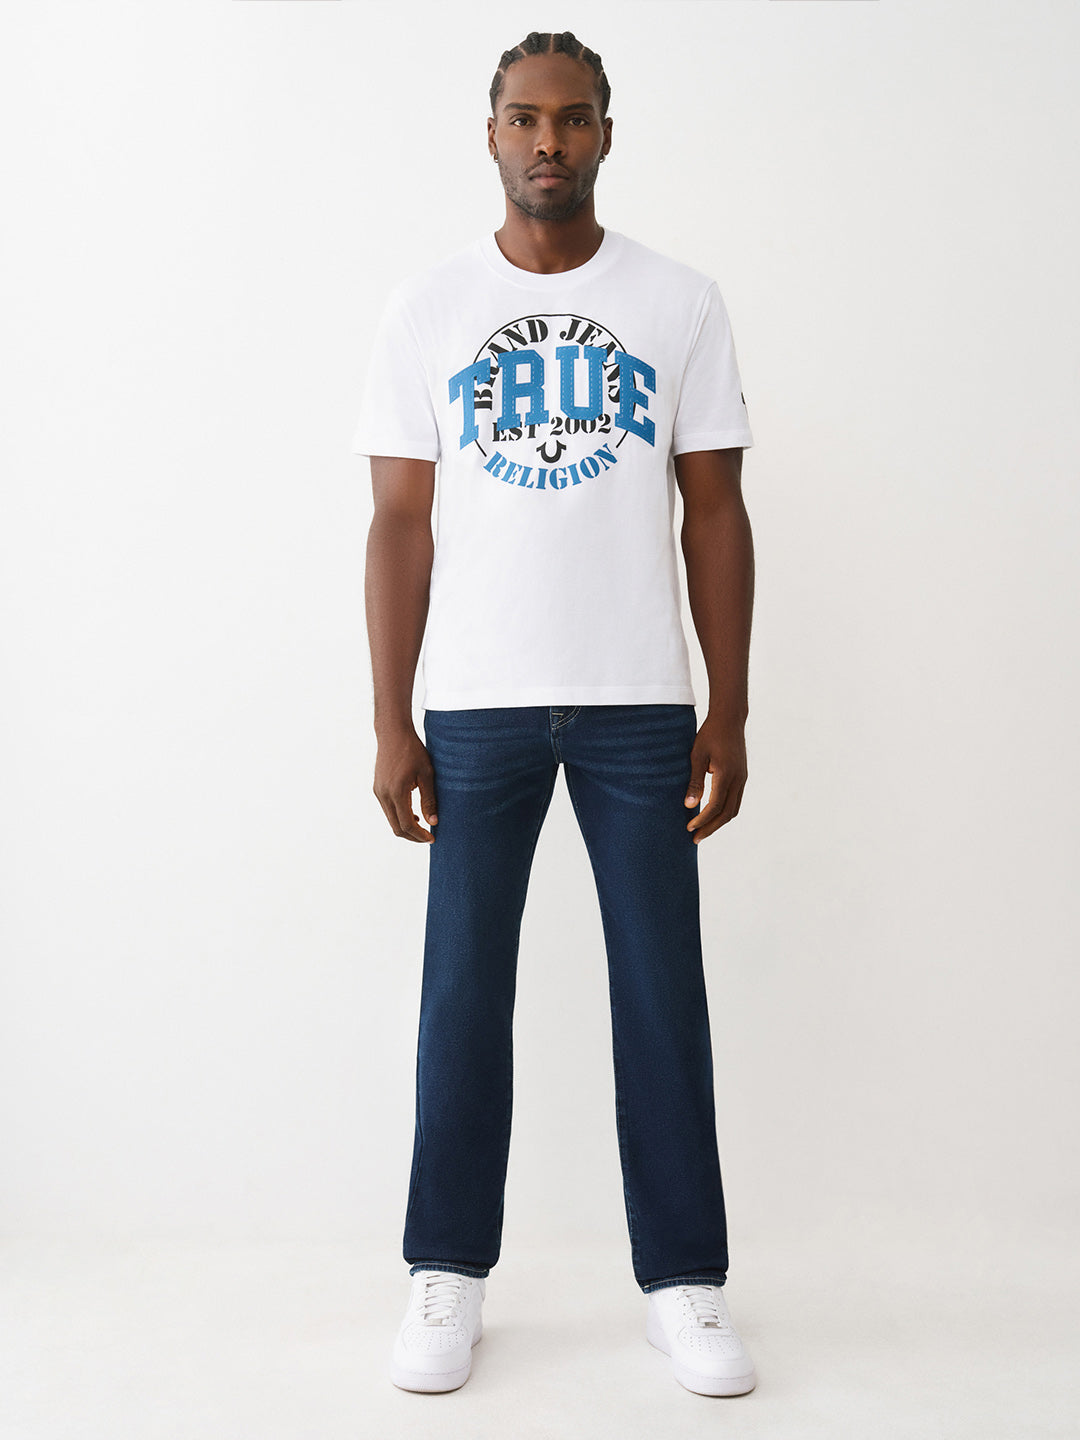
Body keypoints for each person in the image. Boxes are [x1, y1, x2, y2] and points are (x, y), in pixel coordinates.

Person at [352, 30, 758, 1398]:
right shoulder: (427, 308)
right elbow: (398, 524)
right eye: (525, 119)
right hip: (478, 704)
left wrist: (730, 708)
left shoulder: (679, 301)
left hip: (641, 701)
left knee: (661, 989)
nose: (548, 142)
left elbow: (716, 511)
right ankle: (447, 1272)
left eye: (573, 120)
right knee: (464, 989)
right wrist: (392, 718)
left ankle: (686, 1282)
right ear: (490, 134)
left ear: (605, 136)